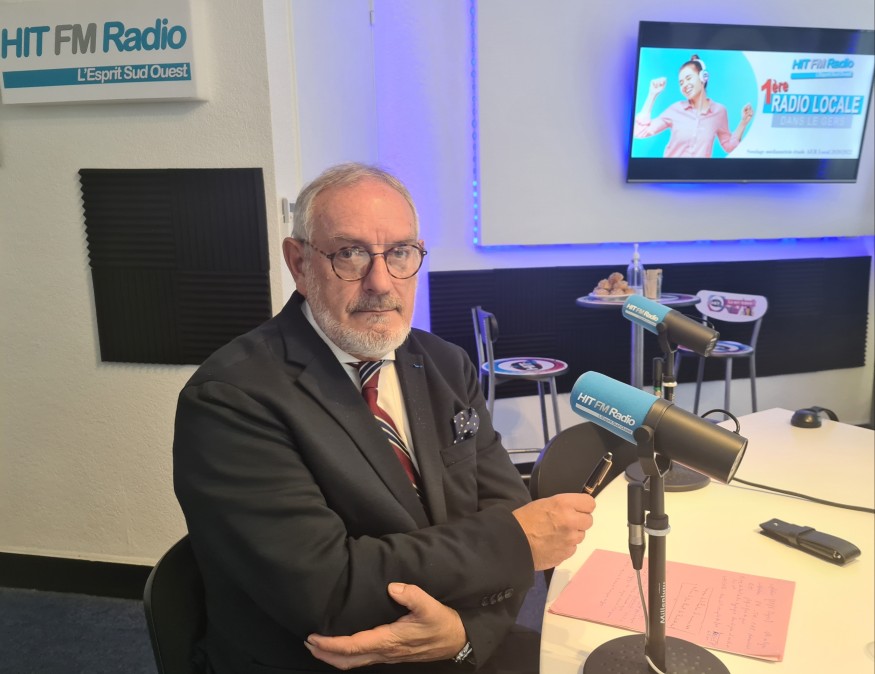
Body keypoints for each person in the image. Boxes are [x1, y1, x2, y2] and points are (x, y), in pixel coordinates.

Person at [173, 162, 597, 674]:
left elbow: (506, 507)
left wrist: (465, 635)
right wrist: (512, 545)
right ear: (299, 264)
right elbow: (329, 587)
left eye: (399, 253)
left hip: (458, 639)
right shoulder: (232, 399)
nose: (380, 282)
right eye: (350, 253)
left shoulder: (445, 364)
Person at [633, 54, 754, 158]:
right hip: (669, 173)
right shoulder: (676, 109)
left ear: (703, 77)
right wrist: (652, 94)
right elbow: (639, 132)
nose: (685, 85)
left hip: (700, 175)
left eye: (688, 78)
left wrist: (743, 122)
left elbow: (729, 146)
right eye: (681, 83)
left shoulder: (719, 111)